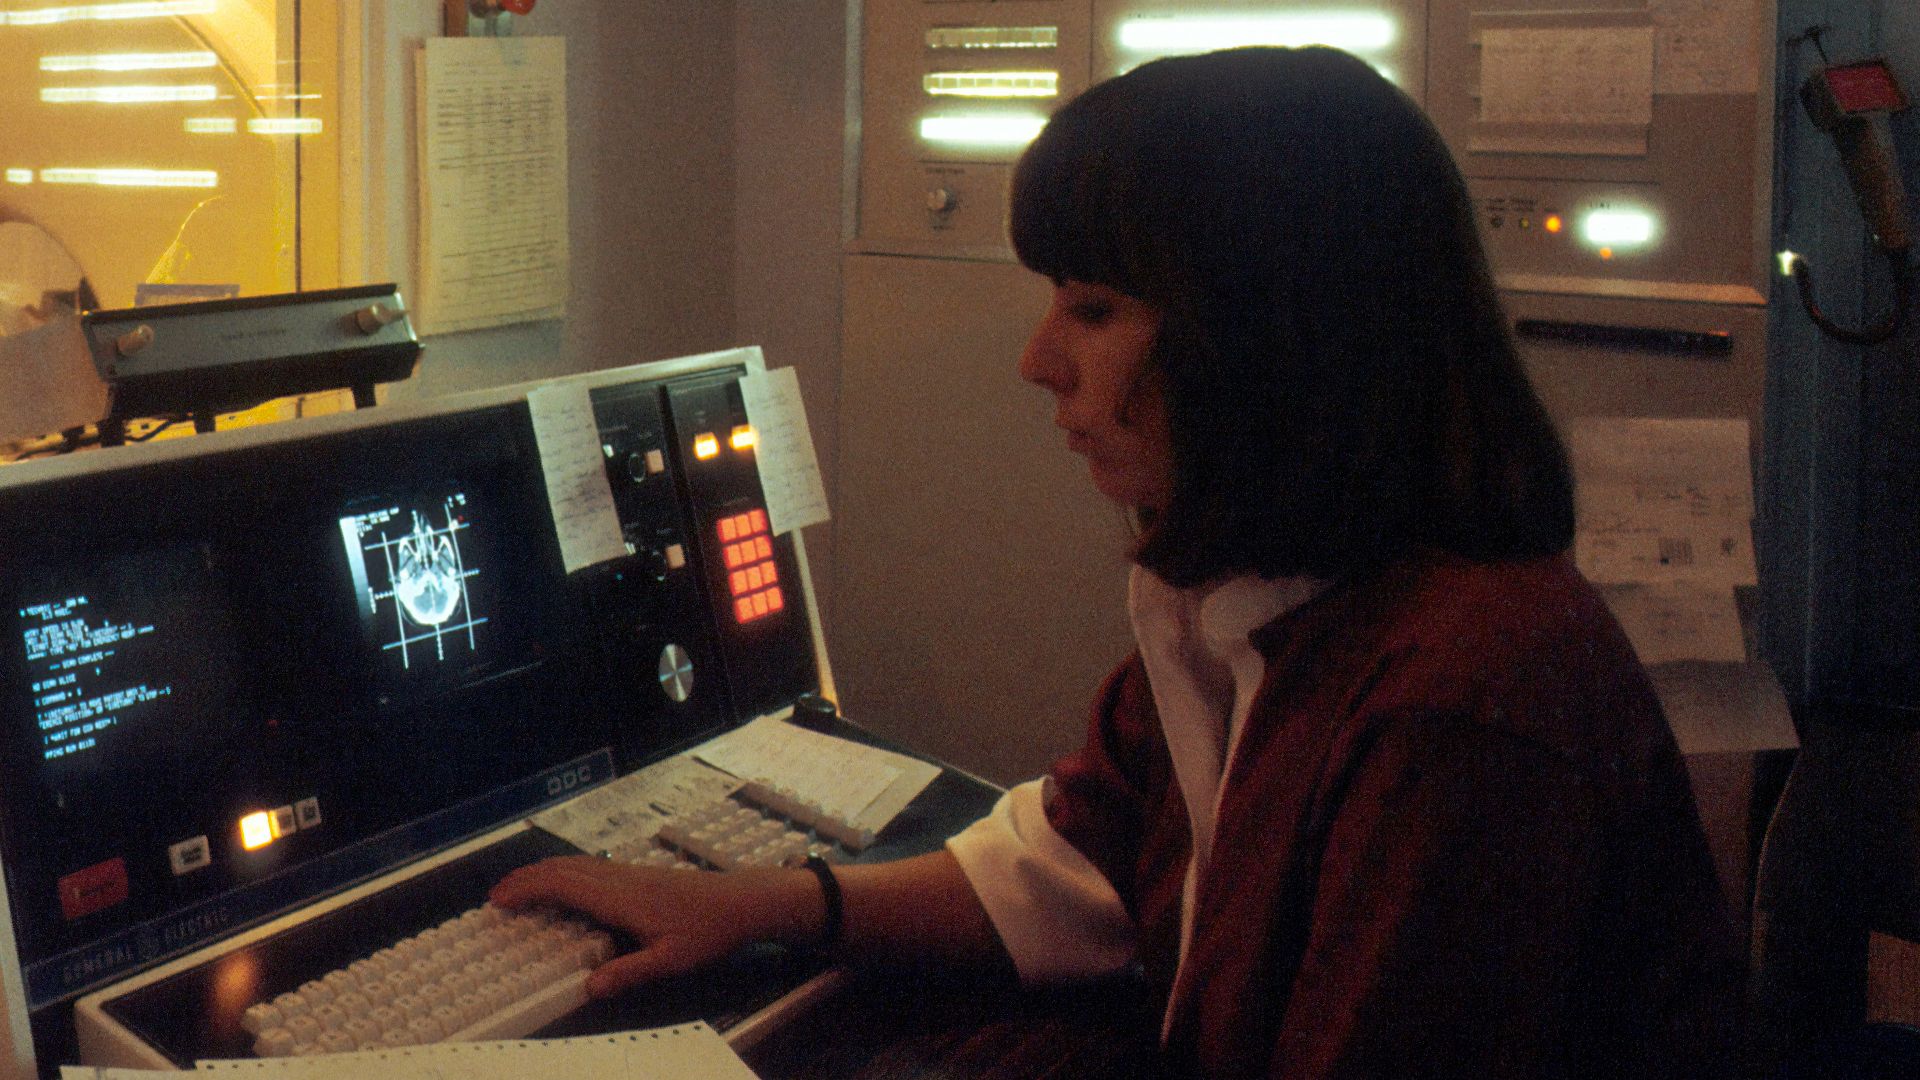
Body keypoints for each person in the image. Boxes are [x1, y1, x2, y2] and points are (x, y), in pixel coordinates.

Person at [492, 46, 1744, 1077]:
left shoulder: (1460, 698)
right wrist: (765, 906)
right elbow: (1083, 864)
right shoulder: (1250, 597)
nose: (1040, 360)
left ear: (1268, 339)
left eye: (1093, 310)